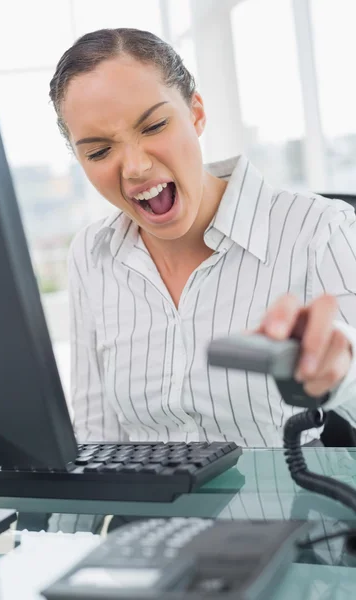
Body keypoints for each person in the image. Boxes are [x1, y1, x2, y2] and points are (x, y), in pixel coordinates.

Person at [49, 28, 356, 448]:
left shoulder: (318, 230)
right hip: (149, 515)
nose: (135, 167)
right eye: (99, 152)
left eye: (154, 125)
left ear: (195, 113)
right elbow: (96, 438)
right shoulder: (91, 253)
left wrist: (340, 370)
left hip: (289, 508)